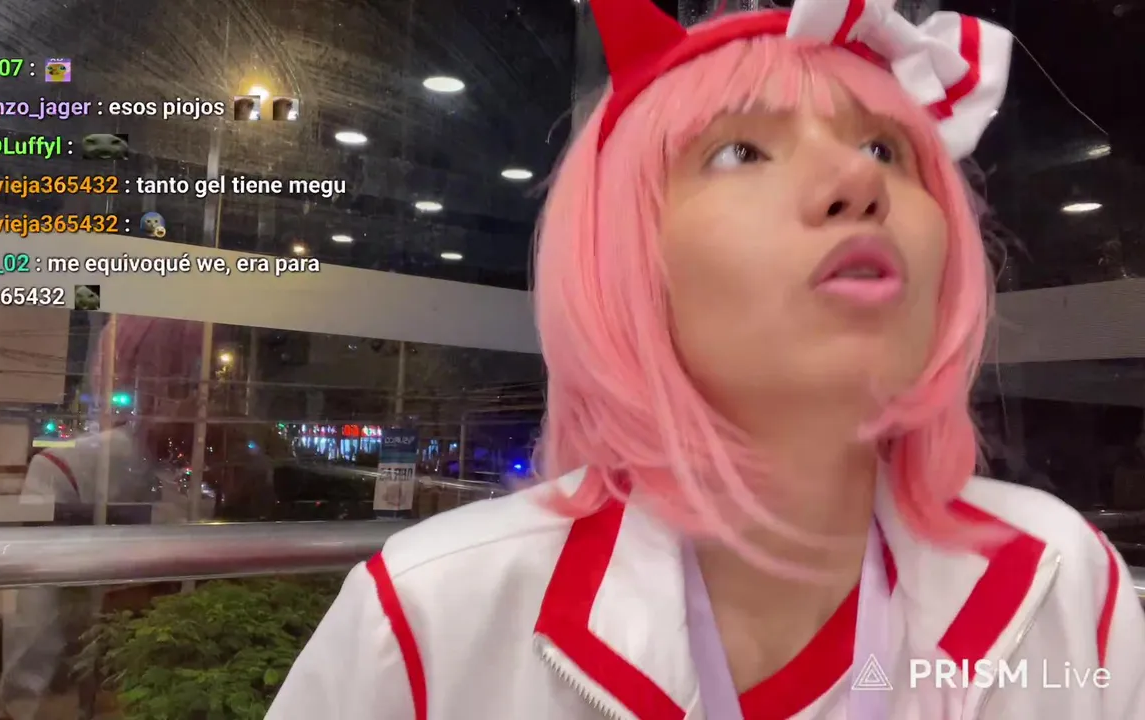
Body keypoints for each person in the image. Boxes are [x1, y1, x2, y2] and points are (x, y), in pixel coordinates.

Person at [268, 1, 1145, 718]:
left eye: (886, 148)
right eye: (741, 151)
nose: (859, 182)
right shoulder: (428, 623)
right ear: (624, 257)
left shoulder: (1070, 585)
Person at [0, 316, 207, 719]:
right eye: (192, 377)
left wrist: (24, 706)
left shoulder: (67, 467)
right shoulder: (212, 470)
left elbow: (35, 637)